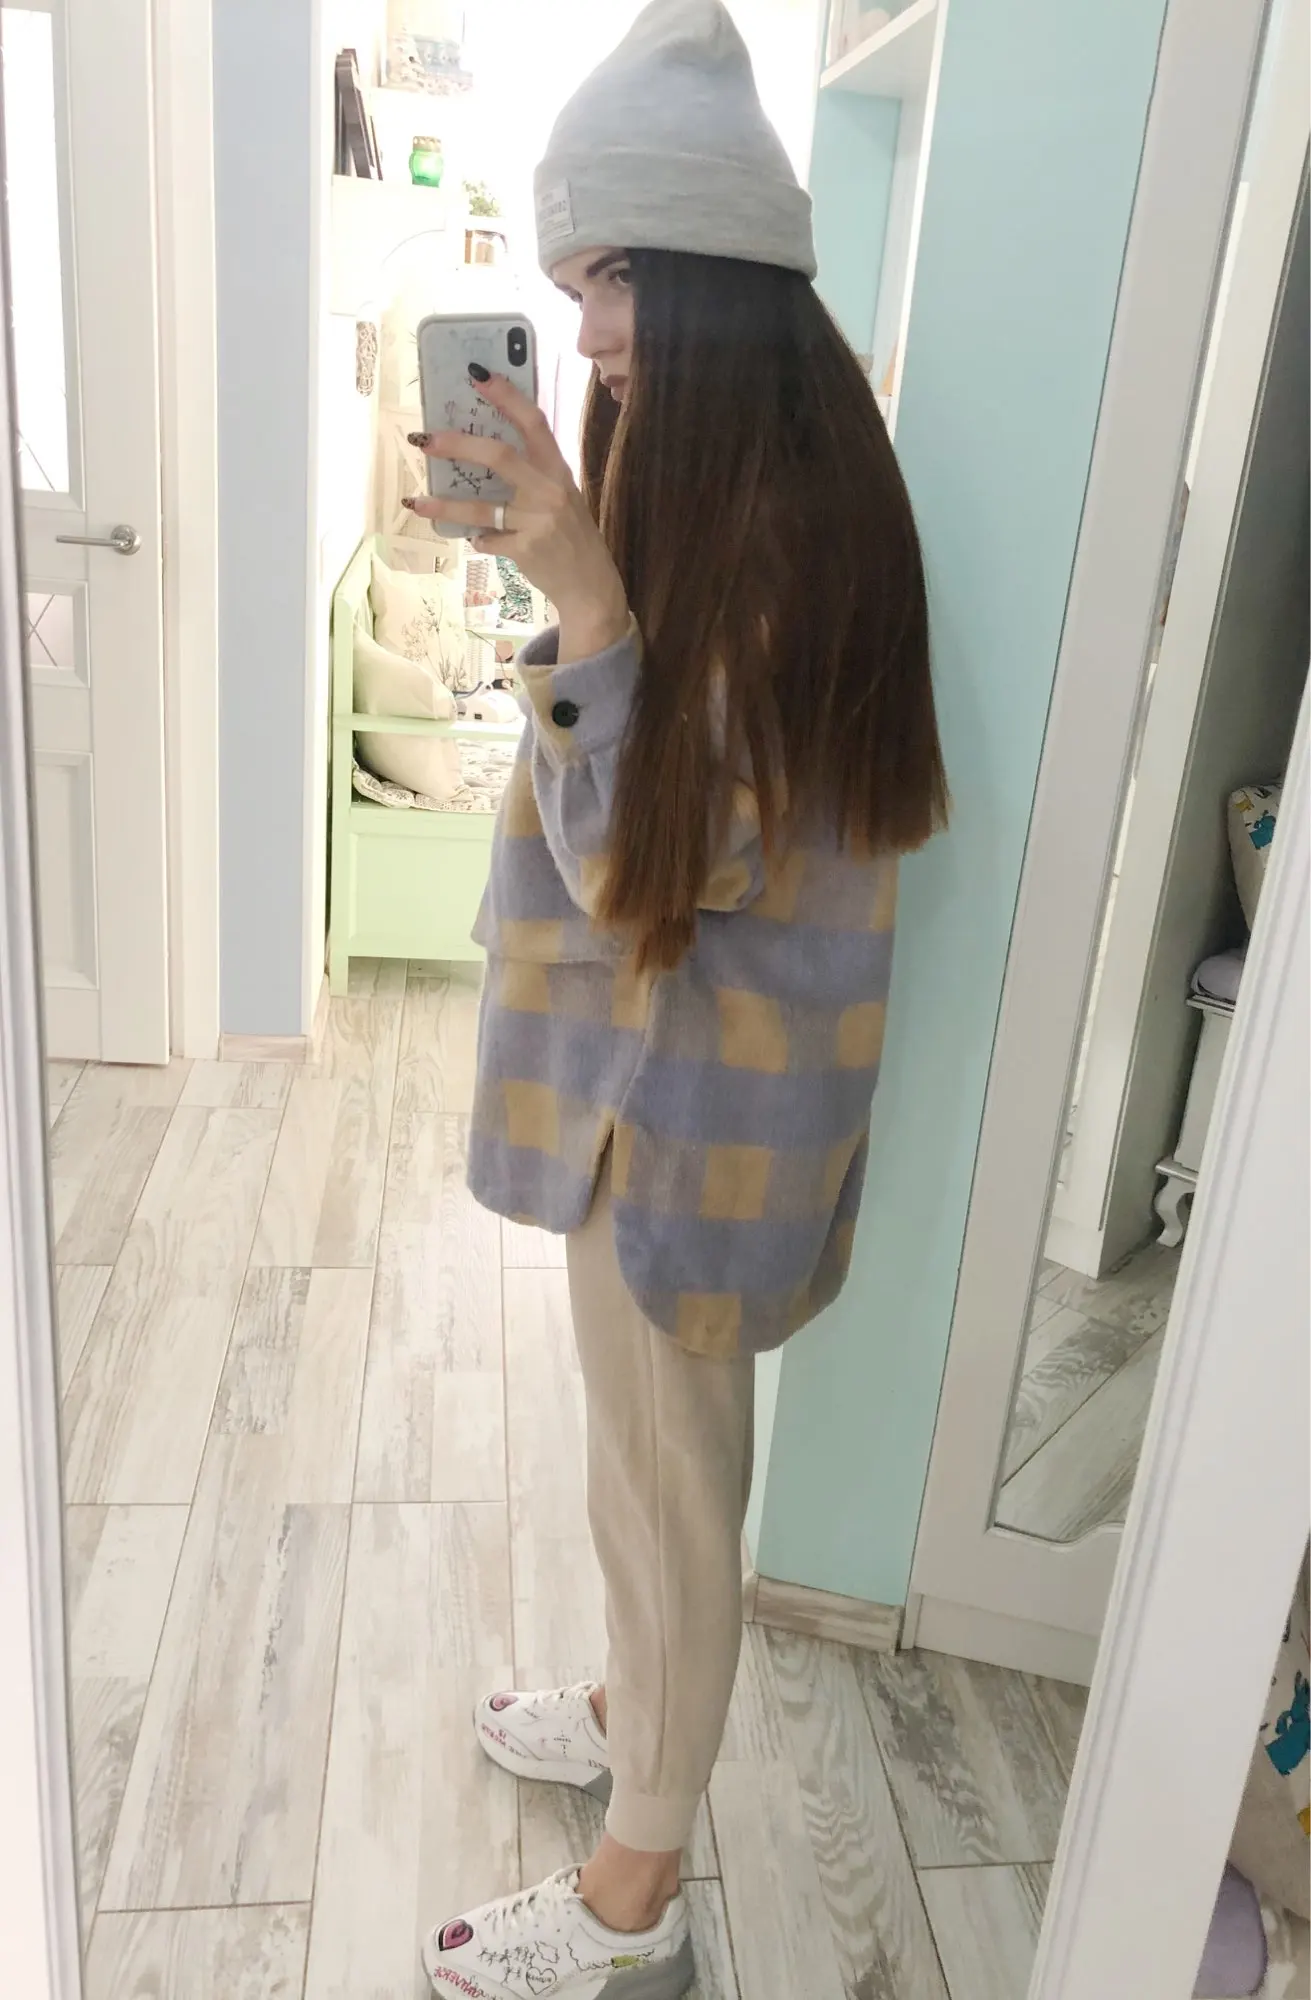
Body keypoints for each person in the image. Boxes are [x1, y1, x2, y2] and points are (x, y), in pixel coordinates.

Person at [403, 3, 947, 1993]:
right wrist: (577, 571)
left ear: (714, 265)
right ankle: (639, 1717)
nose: (592, 329)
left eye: (615, 276)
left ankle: (642, 1890)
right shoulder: (736, 476)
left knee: (666, 1492)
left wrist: (582, 593)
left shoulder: (777, 533)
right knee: (641, 1465)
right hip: (664, 1079)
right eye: (570, 286)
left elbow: (661, 860)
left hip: (686, 1105)